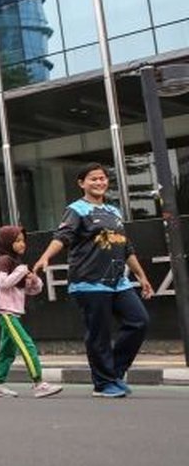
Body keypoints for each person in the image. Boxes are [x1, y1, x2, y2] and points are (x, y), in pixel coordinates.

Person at [31, 163, 154, 398]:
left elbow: (125, 246)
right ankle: (104, 383)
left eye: (102, 178)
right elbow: (62, 237)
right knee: (99, 333)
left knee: (139, 321)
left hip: (119, 281)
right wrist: (45, 257)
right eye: (93, 179)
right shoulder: (76, 209)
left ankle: (114, 373)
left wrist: (141, 276)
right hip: (89, 281)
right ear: (82, 183)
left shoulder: (114, 211)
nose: (99, 182)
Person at [0, 225, 62, 398]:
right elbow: (4, 283)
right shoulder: (3, 261)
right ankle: (38, 383)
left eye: (23, 240)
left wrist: (34, 281)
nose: (22, 244)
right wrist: (21, 271)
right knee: (27, 344)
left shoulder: (16, 262)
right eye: (17, 241)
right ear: (7, 242)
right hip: (5, 312)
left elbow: (30, 291)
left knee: (7, 350)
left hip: (13, 312)